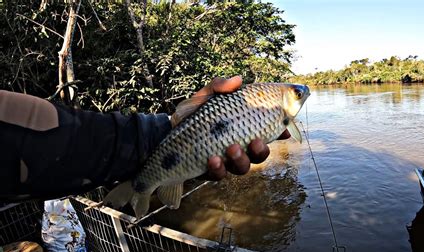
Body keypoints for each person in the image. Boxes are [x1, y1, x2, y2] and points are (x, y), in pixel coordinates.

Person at [0, 76, 290, 202]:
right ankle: (146, 184)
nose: (300, 95)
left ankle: (146, 182)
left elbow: (47, 136)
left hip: (141, 144)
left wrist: (165, 130)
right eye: (297, 94)